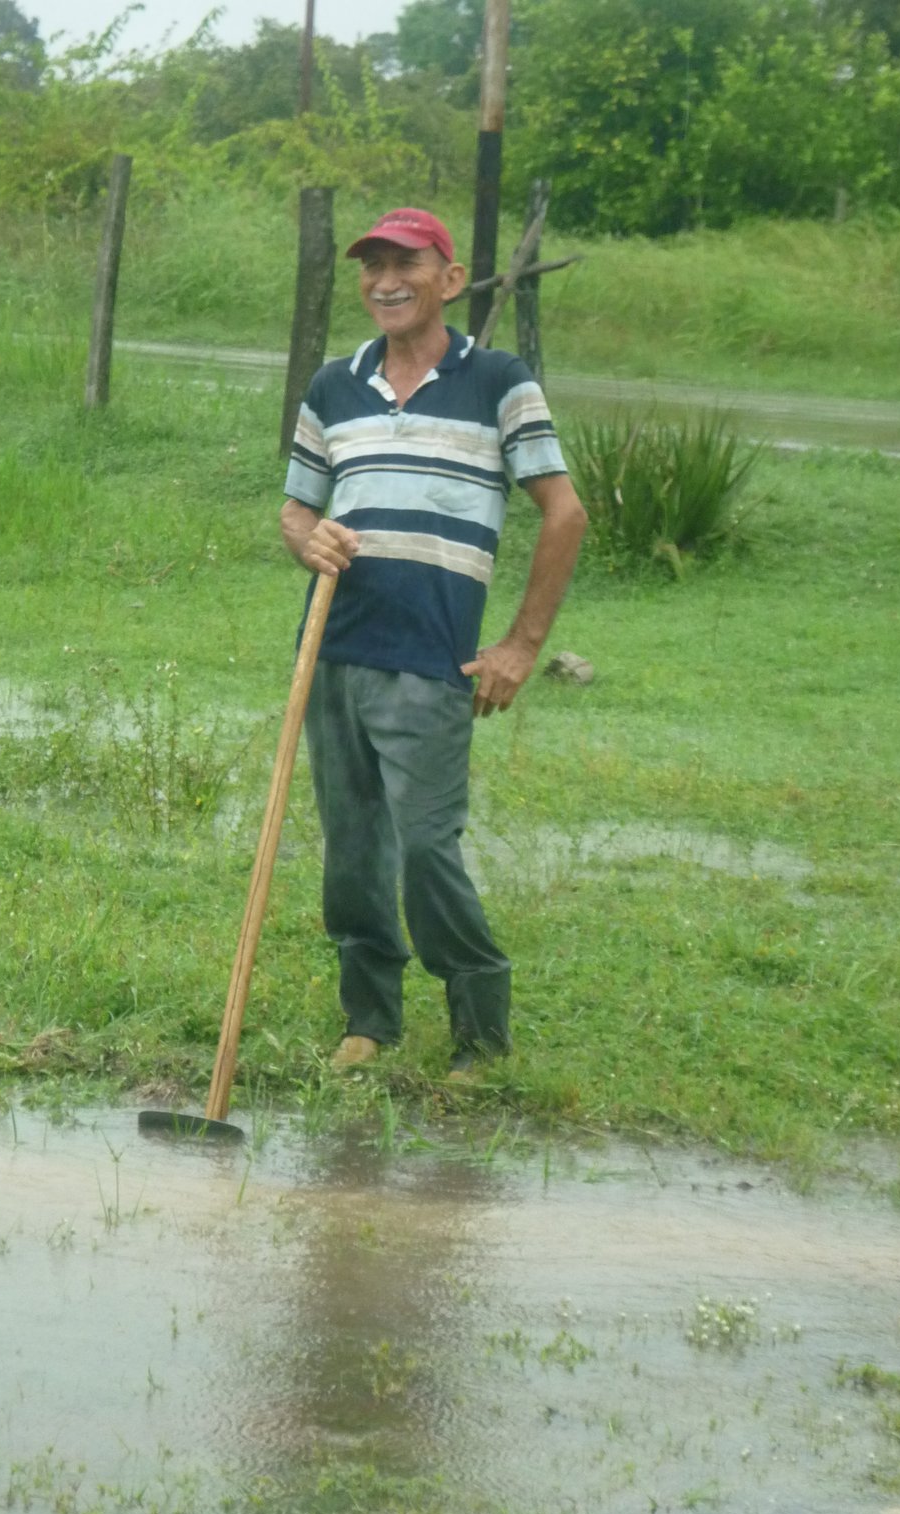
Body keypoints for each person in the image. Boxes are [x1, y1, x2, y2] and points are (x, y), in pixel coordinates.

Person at [280, 207, 587, 1078]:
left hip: (434, 658)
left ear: (449, 279)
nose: (385, 279)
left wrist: (521, 647)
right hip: (333, 649)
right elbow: (297, 507)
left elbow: (564, 513)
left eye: (406, 263)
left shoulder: (498, 381)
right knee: (352, 848)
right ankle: (369, 1021)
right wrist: (307, 537)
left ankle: (479, 1027)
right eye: (373, 264)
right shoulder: (333, 385)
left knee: (423, 845)